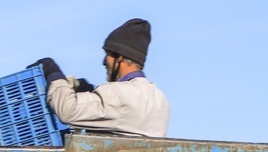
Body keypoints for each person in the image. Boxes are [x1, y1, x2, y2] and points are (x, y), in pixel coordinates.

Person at [30, 18, 170, 138]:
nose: (104, 61)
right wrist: (89, 90)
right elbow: (121, 120)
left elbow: (68, 110)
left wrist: (53, 72)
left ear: (119, 58)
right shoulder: (159, 98)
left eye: (107, 54)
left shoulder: (118, 94)